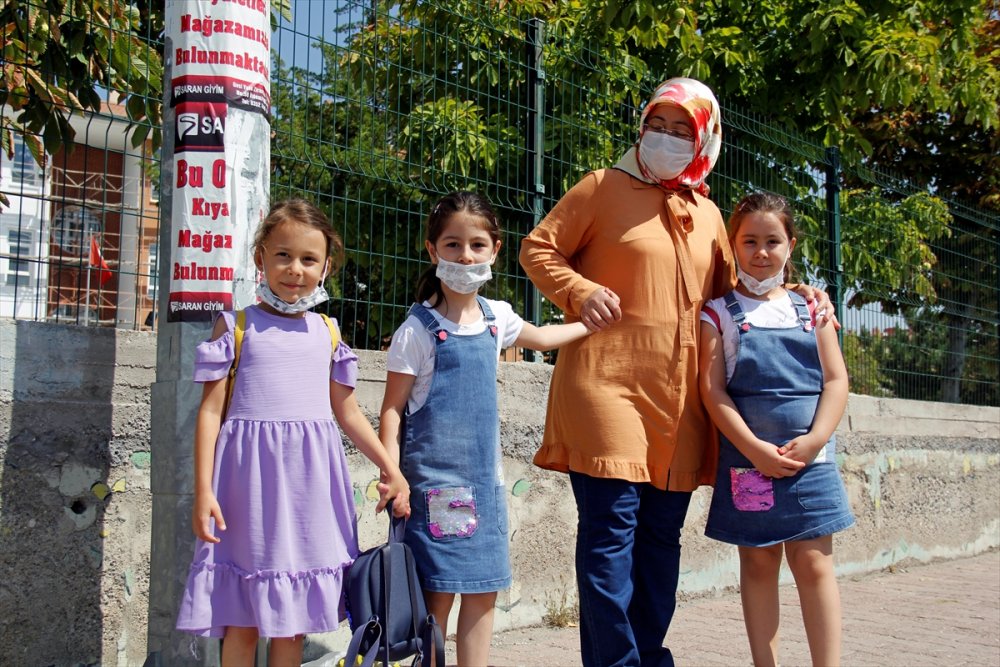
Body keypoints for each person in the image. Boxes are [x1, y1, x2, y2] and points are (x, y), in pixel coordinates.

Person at [519, 77, 833, 667]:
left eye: (681, 129)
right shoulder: (600, 187)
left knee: (661, 541)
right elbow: (539, 249)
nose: (664, 138)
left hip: (682, 404)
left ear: (706, 138)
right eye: (655, 125)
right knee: (612, 536)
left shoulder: (711, 214)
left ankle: (648, 655)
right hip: (604, 388)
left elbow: (741, 291)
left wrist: (800, 292)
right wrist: (579, 290)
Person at [175, 198, 410, 666]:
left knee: (291, 623)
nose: (294, 269)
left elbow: (348, 414)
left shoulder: (327, 333)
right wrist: (204, 491)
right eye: (282, 255)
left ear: (326, 267)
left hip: (308, 494)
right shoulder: (236, 326)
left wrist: (391, 468)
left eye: (308, 259)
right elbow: (208, 414)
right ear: (260, 257)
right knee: (241, 619)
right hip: (247, 495)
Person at [378, 191, 601, 667]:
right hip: (432, 489)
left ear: (496, 250)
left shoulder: (498, 317)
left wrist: (590, 324)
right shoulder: (417, 330)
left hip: (485, 489)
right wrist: (391, 473)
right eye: (453, 244)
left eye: (477, 245)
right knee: (436, 602)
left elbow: (543, 337)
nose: (465, 255)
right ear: (431, 249)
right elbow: (391, 411)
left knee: (483, 596)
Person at [699, 192, 854, 667]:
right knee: (760, 563)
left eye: (773, 240)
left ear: (791, 245)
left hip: (813, 463)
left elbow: (836, 379)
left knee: (813, 564)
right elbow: (713, 392)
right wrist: (754, 450)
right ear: (732, 245)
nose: (761, 251)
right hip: (749, 465)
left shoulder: (813, 309)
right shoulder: (717, 314)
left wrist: (814, 441)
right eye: (750, 241)